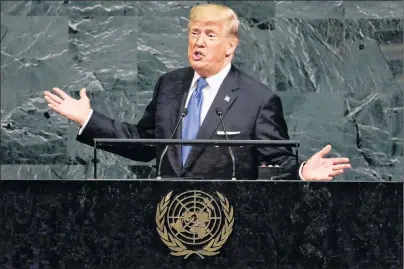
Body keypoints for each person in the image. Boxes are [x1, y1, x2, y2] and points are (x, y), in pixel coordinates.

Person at [44, 4, 351, 180]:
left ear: (230, 46)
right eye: (194, 33)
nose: (199, 42)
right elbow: (147, 143)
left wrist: (300, 171)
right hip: (165, 221)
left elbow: (276, 163)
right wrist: (88, 118)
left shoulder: (258, 100)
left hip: (227, 225)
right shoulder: (169, 84)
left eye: (210, 35)